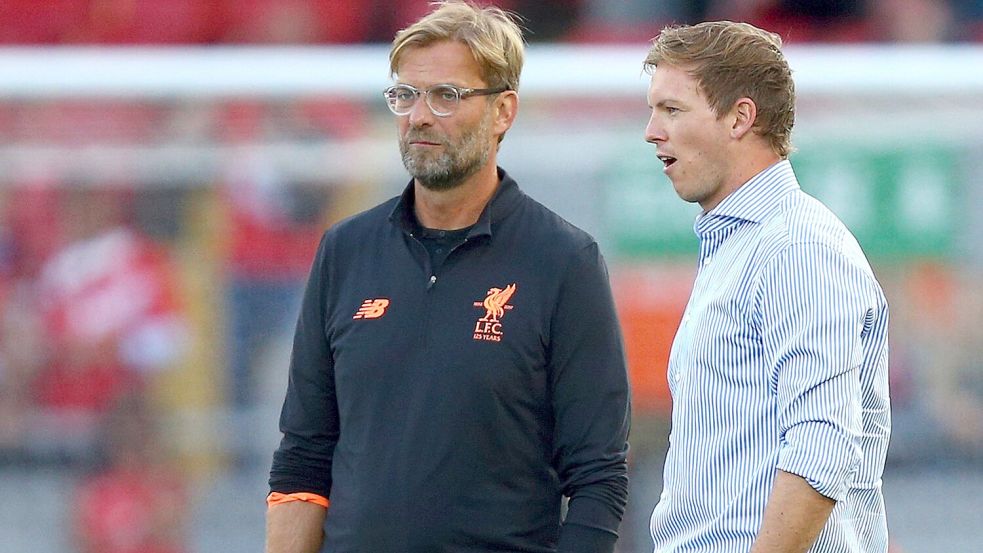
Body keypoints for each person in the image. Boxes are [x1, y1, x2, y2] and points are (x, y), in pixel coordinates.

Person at [265, 2, 631, 553]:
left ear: (503, 110)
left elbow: (598, 478)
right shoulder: (345, 250)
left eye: (447, 96)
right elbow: (303, 456)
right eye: (405, 95)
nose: (419, 115)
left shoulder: (563, 260)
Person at [642, 21, 891, 552]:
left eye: (672, 109)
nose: (651, 131)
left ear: (740, 117)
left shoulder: (796, 249)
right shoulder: (742, 247)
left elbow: (820, 445)